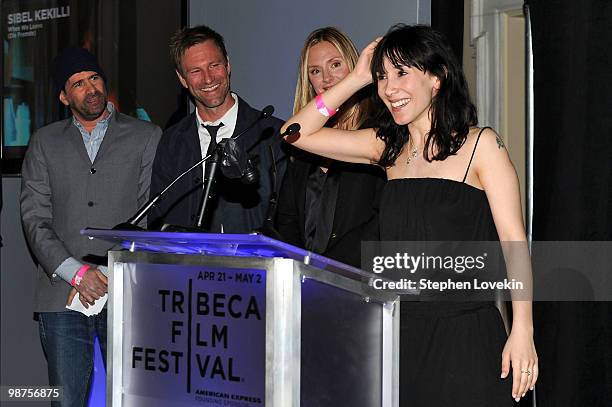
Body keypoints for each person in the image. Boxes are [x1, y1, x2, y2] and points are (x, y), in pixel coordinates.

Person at [281, 24, 537, 406]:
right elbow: (294, 133)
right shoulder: (387, 148)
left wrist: (523, 330)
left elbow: (515, 243)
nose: (388, 88)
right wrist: (354, 79)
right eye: (382, 77)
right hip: (400, 334)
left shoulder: (481, 146)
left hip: (464, 336)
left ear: (437, 78)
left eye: (402, 73)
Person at [20, 47, 161, 406]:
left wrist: (106, 271)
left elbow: (150, 215)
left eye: (94, 78)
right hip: (61, 294)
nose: (91, 88)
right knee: (66, 400)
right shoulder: (44, 142)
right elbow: (35, 219)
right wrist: (78, 274)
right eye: (78, 84)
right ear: (65, 96)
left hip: (126, 289)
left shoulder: (146, 135)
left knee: (135, 398)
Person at [149, 25, 286, 232]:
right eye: (195, 71)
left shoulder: (271, 134)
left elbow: (288, 220)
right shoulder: (171, 141)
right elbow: (158, 219)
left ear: (228, 65)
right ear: (182, 79)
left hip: (255, 263)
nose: (208, 78)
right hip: (186, 263)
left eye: (214, 65)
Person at [275, 27, 385, 267]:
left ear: (356, 67)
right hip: (303, 284)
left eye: (335, 65)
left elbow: (379, 224)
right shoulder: (304, 143)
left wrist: (327, 269)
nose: (326, 79)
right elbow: (287, 221)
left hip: (359, 282)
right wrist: (300, 269)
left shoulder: (380, 133)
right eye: (315, 71)